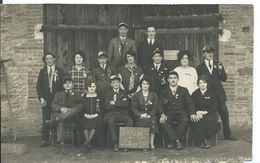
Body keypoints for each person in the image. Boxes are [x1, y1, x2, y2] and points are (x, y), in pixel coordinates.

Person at [196, 46, 236, 140]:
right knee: (209, 115)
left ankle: (227, 135)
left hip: (219, 96)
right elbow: (198, 82)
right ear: (203, 54)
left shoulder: (218, 64)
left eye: (211, 52)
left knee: (225, 114)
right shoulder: (199, 67)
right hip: (208, 96)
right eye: (207, 52)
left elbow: (224, 78)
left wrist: (220, 70)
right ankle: (208, 136)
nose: (210, 54)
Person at [158, 71, 199, 150]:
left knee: (185, 119)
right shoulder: (163, 91)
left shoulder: (183, 90)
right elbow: (160, 105)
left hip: (181, 112)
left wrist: (192, 114)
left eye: (175, 78)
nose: (173, 80)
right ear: (168, 80)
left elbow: (189, 103)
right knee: (164, 122)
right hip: (169, 113)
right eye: (171, 78)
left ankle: (173, 141)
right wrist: (162, 114)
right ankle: (177, 141)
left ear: (178, 79)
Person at [36, 52, 65, 148]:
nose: (49, 60)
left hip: (56, 98)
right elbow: (38, 86)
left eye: (50, 58)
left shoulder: (60, 71)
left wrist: (61, 98)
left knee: (57, 117)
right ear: (45, 61)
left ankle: (57, 139)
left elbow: (63, 85)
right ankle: (45, 140)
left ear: (54, 59)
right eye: (47, 59)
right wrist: (41, 98)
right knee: (46, 119)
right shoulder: (42, 71)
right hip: (46, 98)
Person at [50, 77, 82, 153]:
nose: (68, 85)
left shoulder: (77, 94)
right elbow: (53, 105)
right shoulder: (58, 94)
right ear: (63, 85)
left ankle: (57, 119)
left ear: (73, 85)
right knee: (61, 122)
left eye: (70, 83)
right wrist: (61, 108)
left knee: (76, 109)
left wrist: (69, 110)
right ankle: (62, 145)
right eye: (66, 83)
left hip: (72, 117)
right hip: (61, 114)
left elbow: (80, 106)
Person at [104, 75, 133, 152]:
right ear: (111, 84)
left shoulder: (124, 92)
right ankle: (115, 142)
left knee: (130, 120)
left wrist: (114, 103)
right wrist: (120, 104)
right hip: (111, 114)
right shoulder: (108, 93)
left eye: (117, 82)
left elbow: (126, 104)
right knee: (110, 121)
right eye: (114, 82)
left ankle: (125, 143)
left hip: (122, 114)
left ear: (120, 83)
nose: (116, 84)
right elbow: (106, 107)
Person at [191, 75, 219, 149]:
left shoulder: (212, 93)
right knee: (197, 120)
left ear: (207, 83)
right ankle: (204, 140)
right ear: (198, 84)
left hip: (209, 113)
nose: (202, 84)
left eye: (204, 82)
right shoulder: (194, 94)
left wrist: (204, 112)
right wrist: (197, 112)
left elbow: (214, 106)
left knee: (208, 120)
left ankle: (205, 139)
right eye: (200, 83)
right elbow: (191, 105)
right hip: (197, 113)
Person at [131, 77, 159, 150]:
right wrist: (140, 114)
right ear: (141, 85)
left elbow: (155, 106)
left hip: (151, 115)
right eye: (143, 84)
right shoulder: (136, 95)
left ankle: (151, 143)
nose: (145, 86)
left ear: (149, 85)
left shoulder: (154, 94)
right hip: (140, 115)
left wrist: (150, 115)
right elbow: (134, 108)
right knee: (142, 122)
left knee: (153, 121)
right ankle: (144, 144)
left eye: (147, 84)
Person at [79, 80, 101, 152]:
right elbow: (80, 109)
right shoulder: (84, 97)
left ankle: (86, 143)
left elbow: (102, 108)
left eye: (93, 86)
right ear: (87, 88)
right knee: (85, 125)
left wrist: (95, 115)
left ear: (96, 87)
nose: (92, 88)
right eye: (90, 86)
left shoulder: (99, 97)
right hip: (85, 116)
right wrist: (85, 115)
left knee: (94, 125)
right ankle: (88, 143)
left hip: (96, 116)